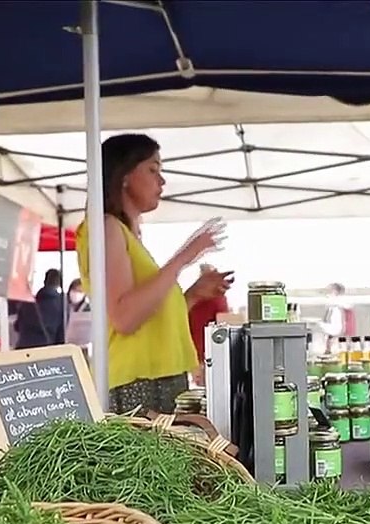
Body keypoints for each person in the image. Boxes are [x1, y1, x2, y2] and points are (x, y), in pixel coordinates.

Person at [75, 133, 232, 414]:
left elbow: (149, 317)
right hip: (136, 384)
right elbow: (124, 318)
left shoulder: (126, 234)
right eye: (152, 169)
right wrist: (184, 256)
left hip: (157, 379)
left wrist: (193, 294)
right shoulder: (106, 228)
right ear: (123, 174)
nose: (162, 181)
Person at [187, 263, 233, 386]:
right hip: (199, 350)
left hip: (204, 350)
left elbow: (222, 323)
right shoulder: (198, 298)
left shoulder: (216, 299)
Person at [13, 268, 66, 349]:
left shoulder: (28, 302)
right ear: (59, 284)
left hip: (24, 349)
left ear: (44, 281)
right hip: (47, 351)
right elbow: (61, 334)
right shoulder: (62, 305)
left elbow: (17, 326)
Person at [318, 283, 354, 353]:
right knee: (328, 336)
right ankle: (328, 350)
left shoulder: (338, 301)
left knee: (329, 334)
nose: (329, 292)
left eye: (331, 290)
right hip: (333, 325)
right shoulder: (332, 301)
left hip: (336, 326)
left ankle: (330, 350)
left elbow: (347, 306)